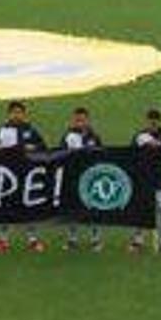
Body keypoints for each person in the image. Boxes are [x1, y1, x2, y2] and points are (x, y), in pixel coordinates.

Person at [0, 100, 48, 253]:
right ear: (9, 114)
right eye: (14, 112)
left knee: (28, 206)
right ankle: (2, 240)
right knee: (6, 206)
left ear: (24, 114)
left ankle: (33, 240)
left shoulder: (30, 130)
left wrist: (32, 147)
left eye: (19, 112)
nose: (17, 115)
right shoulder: (2, 130)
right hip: (7, 175)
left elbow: (43, 148)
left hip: (26, 174)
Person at [130, 108, 161, 255]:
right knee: (141, 210)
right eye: (151, 120)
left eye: (155, 120)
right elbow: (131, 155)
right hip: (144, 179)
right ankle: (138, 240)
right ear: (147, 121)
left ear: (159, 121)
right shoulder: (140, 137)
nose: (153, 123)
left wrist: (160, 148)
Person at [62, 106, 105, 251]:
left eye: (82, 120)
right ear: (73, 120)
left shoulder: (94, 137)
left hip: (90, 178)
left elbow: (102, 155)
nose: (80, 122)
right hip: (73, 177)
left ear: (87, 120)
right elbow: (60, 155)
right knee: (72, 209)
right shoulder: (67, 136)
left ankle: (96, 239)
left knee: (93, 207)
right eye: (77, 120)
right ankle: (72, 239)